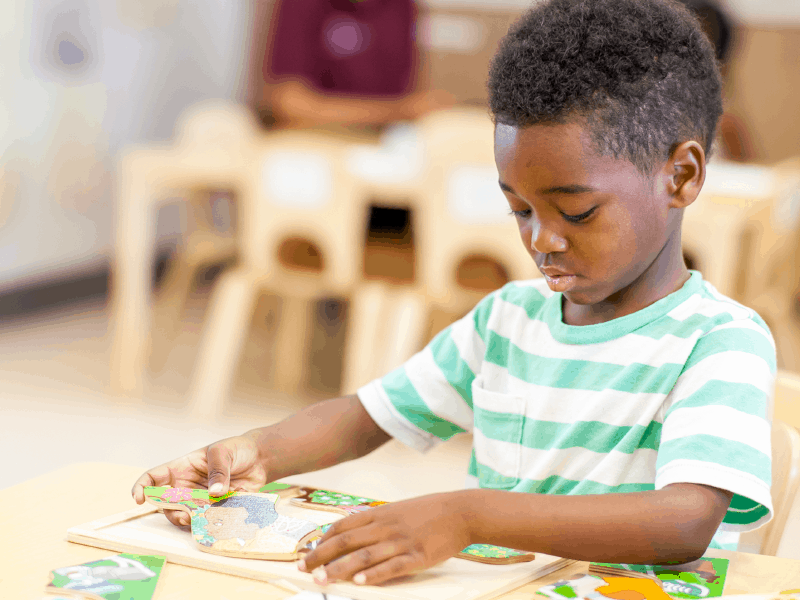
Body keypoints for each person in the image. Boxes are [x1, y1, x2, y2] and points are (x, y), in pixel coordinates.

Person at [132, 0, 775, 587]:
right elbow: (365, 417)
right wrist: (257, 452)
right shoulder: (506, 319)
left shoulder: (719, 340)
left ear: (682, 175)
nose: (542, 240)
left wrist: (468, 516)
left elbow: (684, 521)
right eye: (519, 210)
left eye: (576, 213)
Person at [260, 0, 450, 129]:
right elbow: (291, 106)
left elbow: (414, 97)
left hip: (384, 148)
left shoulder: (402, 6)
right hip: (313, 144)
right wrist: (399, 111)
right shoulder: (301, 5)